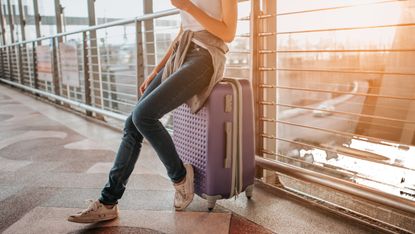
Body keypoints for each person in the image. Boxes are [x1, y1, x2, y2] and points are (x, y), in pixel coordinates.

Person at [67, 0, 237, 223]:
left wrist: (188, 7)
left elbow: (228, 32)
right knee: (132, 123)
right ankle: (108, 202)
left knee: (143, 116)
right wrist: (157, 70)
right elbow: (182, 34)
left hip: (205, 58)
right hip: (182, 55)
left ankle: (180, 177)